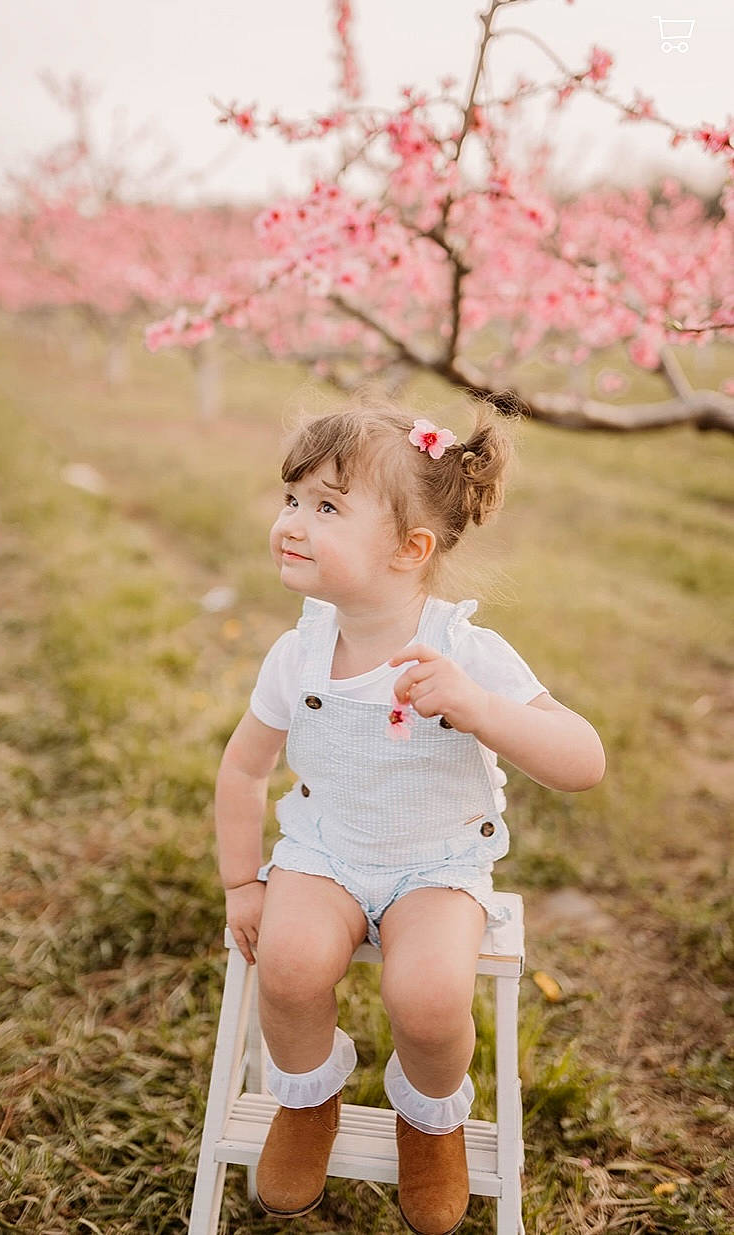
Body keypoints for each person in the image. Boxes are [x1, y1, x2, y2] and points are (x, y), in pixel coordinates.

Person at [214, 394, 605, 1235]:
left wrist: (480, 708)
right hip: (326, 849)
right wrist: (243, 881)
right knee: (287, 964)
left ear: (408, 549)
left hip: (435, 862)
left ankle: (432, 1119)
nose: (291, 521)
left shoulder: (464, 652)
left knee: (428, 996)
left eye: (325, 507)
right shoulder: (300, 652)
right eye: (291, 498)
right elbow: (244, 769)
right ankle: (309, 1098)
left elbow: (584, 758)